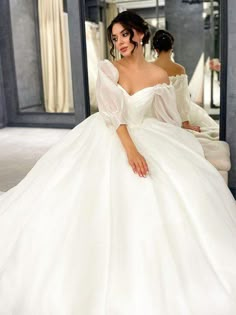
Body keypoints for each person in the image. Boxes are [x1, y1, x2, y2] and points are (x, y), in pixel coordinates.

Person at [0, 11, 236, 315]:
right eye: (115, 37)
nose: (120, 42)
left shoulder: (159, 75)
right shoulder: (109, 68)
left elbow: (167, 117)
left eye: (125, 34)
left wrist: (185, 129)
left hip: (148, 132)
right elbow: (113, 115)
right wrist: (131, 151)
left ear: (140, 33)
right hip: (110, 134)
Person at [152, 29, 220, 138]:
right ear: (171, 48)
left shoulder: (149, 68)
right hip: (175, 114)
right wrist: (186, 123)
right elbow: (181, 98)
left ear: (155, 49)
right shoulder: (179, 69)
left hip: (154, 115)